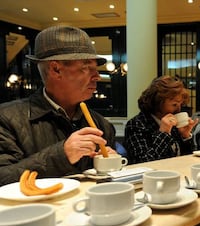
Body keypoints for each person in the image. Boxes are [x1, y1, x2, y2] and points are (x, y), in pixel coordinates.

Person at [0, 25, 116, 186]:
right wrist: (62, 155)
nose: (97, 76)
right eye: (86, 67)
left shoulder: (101, 125)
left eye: (95, 68)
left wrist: (108, 165)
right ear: (55, 70)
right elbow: (3, 177)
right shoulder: (6, 119)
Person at [124, 75, 198, 164]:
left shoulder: (174, 124)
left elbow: (188, 159)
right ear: (157, 102)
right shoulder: (136, 124)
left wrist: (185, 136)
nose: (178, 109)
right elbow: (144, 162)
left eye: (180, 104)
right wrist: (163, 133)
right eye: (174, 104)